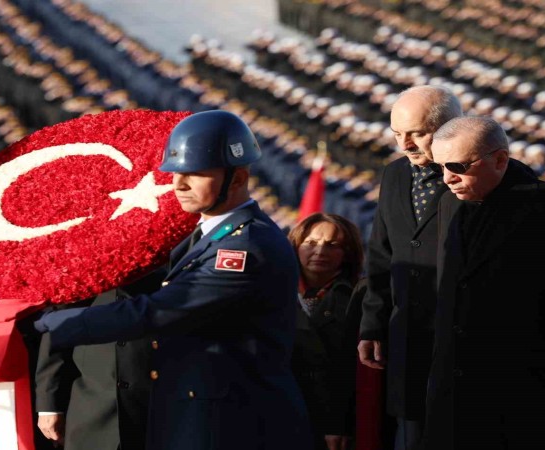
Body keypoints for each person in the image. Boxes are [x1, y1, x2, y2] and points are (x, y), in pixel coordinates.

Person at [34, 110, 313, 450]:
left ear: (237, 179)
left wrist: (58, 324)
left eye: (195, 174)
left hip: (234, 424)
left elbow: (160, 310)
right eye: (176, 172)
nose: (178, 184)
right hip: (200, 415)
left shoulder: (244, 248)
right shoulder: (210, 236)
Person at [423, 115, 545, 449]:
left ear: (500, 160)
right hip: (454, 393)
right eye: (440, 166)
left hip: (526, 392)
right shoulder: (448, 204)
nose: (447, 178)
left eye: (457, 166)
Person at [358, 85, 463, 450]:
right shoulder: (395, 175)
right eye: (397, 134)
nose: (405, 145)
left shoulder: (473, 180)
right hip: (406, 340)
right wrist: (372, 325)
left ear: (449, 127)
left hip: (458, 342)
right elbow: (381, 254)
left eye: (417, 134)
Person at [34, 270, 165, 450]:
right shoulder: (81, 264)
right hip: (92, 407)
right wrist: (49, 405)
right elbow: (58, 325)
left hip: (159, 406)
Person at [288, 213, 365, 450]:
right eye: (310, 243)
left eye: (332, 245)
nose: (320, 251)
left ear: (348, 253)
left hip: (332, 420)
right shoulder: (274, 290)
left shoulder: (361, 297)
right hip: (283, 409)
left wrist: (339, 424)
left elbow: (350, 370)